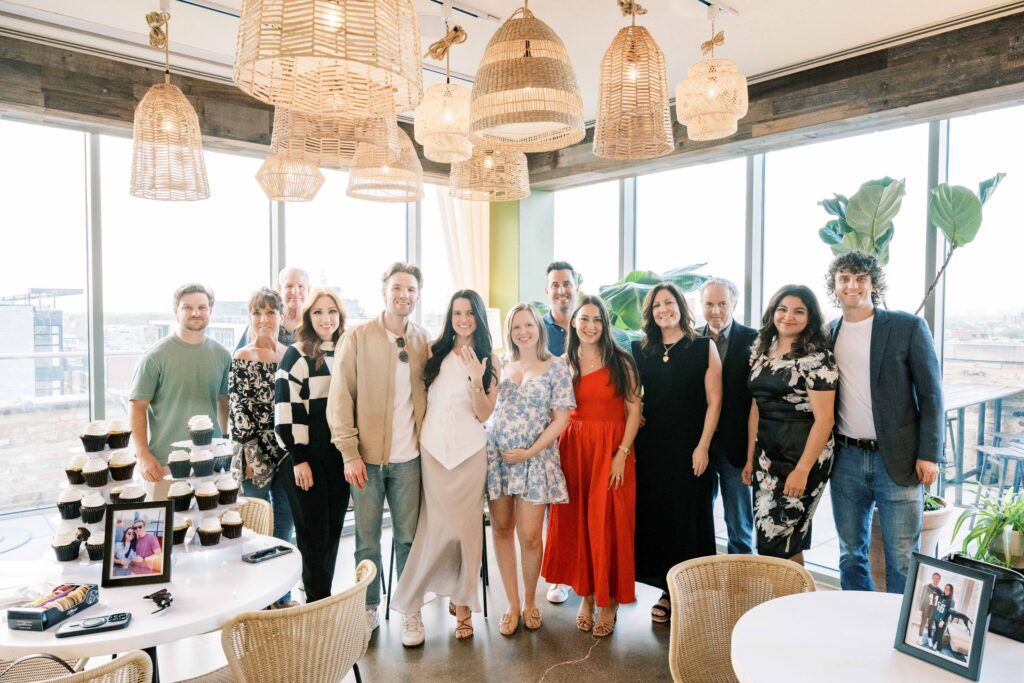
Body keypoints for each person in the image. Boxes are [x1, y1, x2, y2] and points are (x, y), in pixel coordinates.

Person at [826, 252, 943, 594]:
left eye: (861, 278)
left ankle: (896, 625)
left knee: (902, 558)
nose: (852, 284)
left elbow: (932, 395)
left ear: (874, 284)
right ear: (834, 287)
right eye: (844, 278)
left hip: (899, 460)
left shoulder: (907, 327)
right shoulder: (827, 332)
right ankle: (859, 619)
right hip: (845, 459)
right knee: (850, 554)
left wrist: (929, 454)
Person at [327, 262, 430, 643]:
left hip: (410, 461)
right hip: (366, 461)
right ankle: (369, 607)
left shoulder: (423, 341)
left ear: (417, 295)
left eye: (411, 289)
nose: (404, 295)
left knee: (408, 540)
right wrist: (349, 452)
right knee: (367, 541)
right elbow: (340, 397)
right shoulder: (357, 337)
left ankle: (410, 610)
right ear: (384, 292)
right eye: (398, 288)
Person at [392, 290, 499, 642]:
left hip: (470, 454)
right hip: (434, 451)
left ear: (478, 318)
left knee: (466, 533)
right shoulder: (432, 351)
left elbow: (484, 415)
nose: (463, 319)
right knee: (435, 529)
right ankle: (413, 604)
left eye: (469, 313)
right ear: (450, 317)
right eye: (457, 313)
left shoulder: (490, 360)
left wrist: (476, 379)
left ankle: (463, 606)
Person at [542, 295, 641, 638]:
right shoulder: (563, 364)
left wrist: (622, 453)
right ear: (574, 322)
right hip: (573, 451)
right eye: (584, 319)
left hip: (612, 450)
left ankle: (609, 600)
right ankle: (585, 596)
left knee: (608, 524)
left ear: (605, 325)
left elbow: (634, 410)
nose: (590, 326)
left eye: (597, 320)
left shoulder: (621, 361)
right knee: (580, 523)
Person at [632, 283, 722, 624]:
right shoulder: (641, 349)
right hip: (652, 447)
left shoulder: (703, 347)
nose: (663, 310)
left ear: (681, 307)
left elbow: (715, 401)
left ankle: (690, 590)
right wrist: (636, 411)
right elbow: (631, 393)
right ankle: (666, 589)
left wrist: (703, 446)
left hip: (690, 447)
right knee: (659, 517)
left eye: (669, 303)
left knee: (689, 519)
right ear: (650, 313)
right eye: (657, 305)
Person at [486, 303, 574, 636]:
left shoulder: (556, 366)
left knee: (530, 536)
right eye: (516, 327)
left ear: (539, 328)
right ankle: (511, 603)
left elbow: (561, 419)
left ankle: (530, 601)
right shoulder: (501, 364)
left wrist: (529, 452)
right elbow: (486, 407)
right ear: (509, 332)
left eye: (529, 325)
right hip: (498, 460)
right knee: (501, 529)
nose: (523, 332)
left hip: (535, 461)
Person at [745, 285, 837, 563]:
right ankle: (792, 591)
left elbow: (825, 419)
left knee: (782, 538)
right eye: (782, 309)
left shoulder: (818, 359)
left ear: (810, 318)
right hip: (767, 457)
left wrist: (802, 470)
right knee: (776, 541)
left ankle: (792, 590)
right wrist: (750, 458)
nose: (788, 316)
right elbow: (756, 408)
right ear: (773, 313)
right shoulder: (762, 353)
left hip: (801, 456)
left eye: (799, 311)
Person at [275, 289, 348, 604]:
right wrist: (299, 458)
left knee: (332, 533)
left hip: (340, 459)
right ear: (308, 317)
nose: (326, 318)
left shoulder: (346, 352)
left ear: (340, 316)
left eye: (331, 311)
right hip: (307, 460)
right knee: (313, 537)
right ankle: (319, 608)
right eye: (318, 312)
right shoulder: (297, 354)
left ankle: (320, 600)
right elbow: (285, 410)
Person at [129, 284, 231, 490]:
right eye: (187, 307)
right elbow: (137, 407)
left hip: (211, 462)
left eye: (202, 307)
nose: (196, 313)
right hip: (165, 464)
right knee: (167, 513)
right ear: (176, 311)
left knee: (213, 512)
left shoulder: (222, 355)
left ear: (210, 310)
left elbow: (224, 400)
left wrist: (224, 441)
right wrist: (143, 455)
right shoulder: (154, 357)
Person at [230, 287, 295, 608]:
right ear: (249, 317)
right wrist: (251, 456)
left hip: (288, 450)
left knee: (285, 522)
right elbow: (239, 412)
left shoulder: (291, 355)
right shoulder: (242, 356)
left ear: (281, 317)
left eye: (270, 312)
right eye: (257, 313)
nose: (264, 319)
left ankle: (281, 596)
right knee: (256, 526)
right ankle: (257, 600)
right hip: (253, 452)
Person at [700, 277, 758, 555]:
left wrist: (752, 454)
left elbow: (758, 399)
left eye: (722, 304)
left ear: (734, 304)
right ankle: (700, 574)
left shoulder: (754, 340)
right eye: (709, 304)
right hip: (700, 445)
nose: (715, 311)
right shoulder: (691, 341)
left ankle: (742, 579)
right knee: (698, 518)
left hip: (737, 447)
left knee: (739, 523)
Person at [541, 261, 577, 605]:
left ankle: (586, 571)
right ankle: (560, 575)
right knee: (556, 506)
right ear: (547, 290)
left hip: (587, 426)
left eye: (567, 284)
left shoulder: (591, 322)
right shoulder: (537, 329)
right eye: (555, 285)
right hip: (550, 429)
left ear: (576, 287)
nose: (561, 290)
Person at [235, 267, 309, 350]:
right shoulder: (261, 322)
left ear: (308, 289)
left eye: (301, 286)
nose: (295, 291)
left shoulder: (313, 324)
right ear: (279, 288)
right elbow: (241, 353)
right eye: (289, 286)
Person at [917, 572, 942, 642]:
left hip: (933, 610)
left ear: (939, 580)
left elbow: (939, 603)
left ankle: (929, 638)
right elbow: (922, 598)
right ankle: (920, 637)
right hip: (926, 608)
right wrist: (920, 609)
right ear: (932, 578)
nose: (936, 580)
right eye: (935, 578)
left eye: (938, 578)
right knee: (923, 623)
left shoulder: (940, 591)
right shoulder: (926, 587)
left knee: (930, 625)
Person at [931, 584, 955, 651]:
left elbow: (949, 613)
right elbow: (938, 590)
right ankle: (933, 643)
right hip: (936, 618)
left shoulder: (951, 601)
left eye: (947, 589)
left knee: (940, 635)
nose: (945, 590)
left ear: (950, 591)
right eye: (945, 588)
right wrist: (935, 586)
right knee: (936, 632)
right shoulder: (941, 596)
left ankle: (939, 649)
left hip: (942, 621)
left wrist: (943, 621)